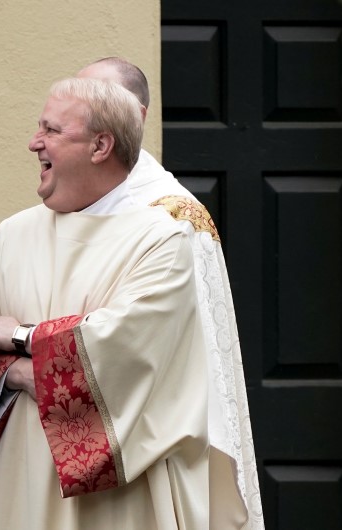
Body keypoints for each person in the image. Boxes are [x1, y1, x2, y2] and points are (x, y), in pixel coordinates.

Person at [0, 77, 247, 529]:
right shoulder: (13, 235)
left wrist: (19, 342)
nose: (34, 142)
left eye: (51, 130)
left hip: (120, 498)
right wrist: (18, 366)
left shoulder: (162, 239)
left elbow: (125, 348)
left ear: (100, 145)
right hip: (21, 477)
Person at [77, 56, 264, 529]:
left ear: (134, 118)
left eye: (95, 104)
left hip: (153, 433)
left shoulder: (175, 216)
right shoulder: (76, 202)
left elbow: (183, 348)